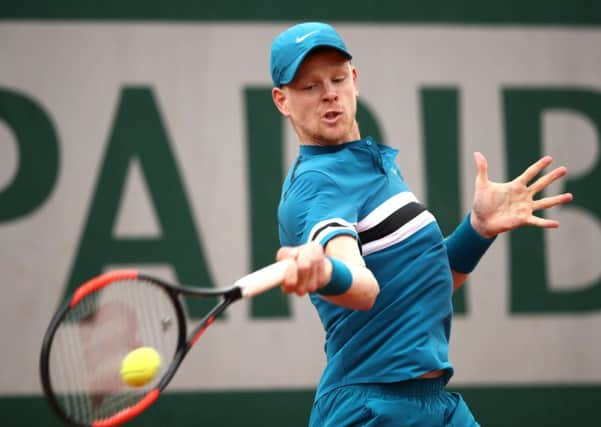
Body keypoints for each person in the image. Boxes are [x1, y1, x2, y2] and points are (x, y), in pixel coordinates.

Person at [269, 22, 573, 426]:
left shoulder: (370, 165)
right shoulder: (317, 184)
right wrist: (326, 271)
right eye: (309, 86)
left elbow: (423, 283)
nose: (329, 93)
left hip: (433, 403)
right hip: (371, 408)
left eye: (338, 78)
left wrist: (478, 229)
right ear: (282, 101)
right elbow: (364, 289)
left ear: (354, 81)